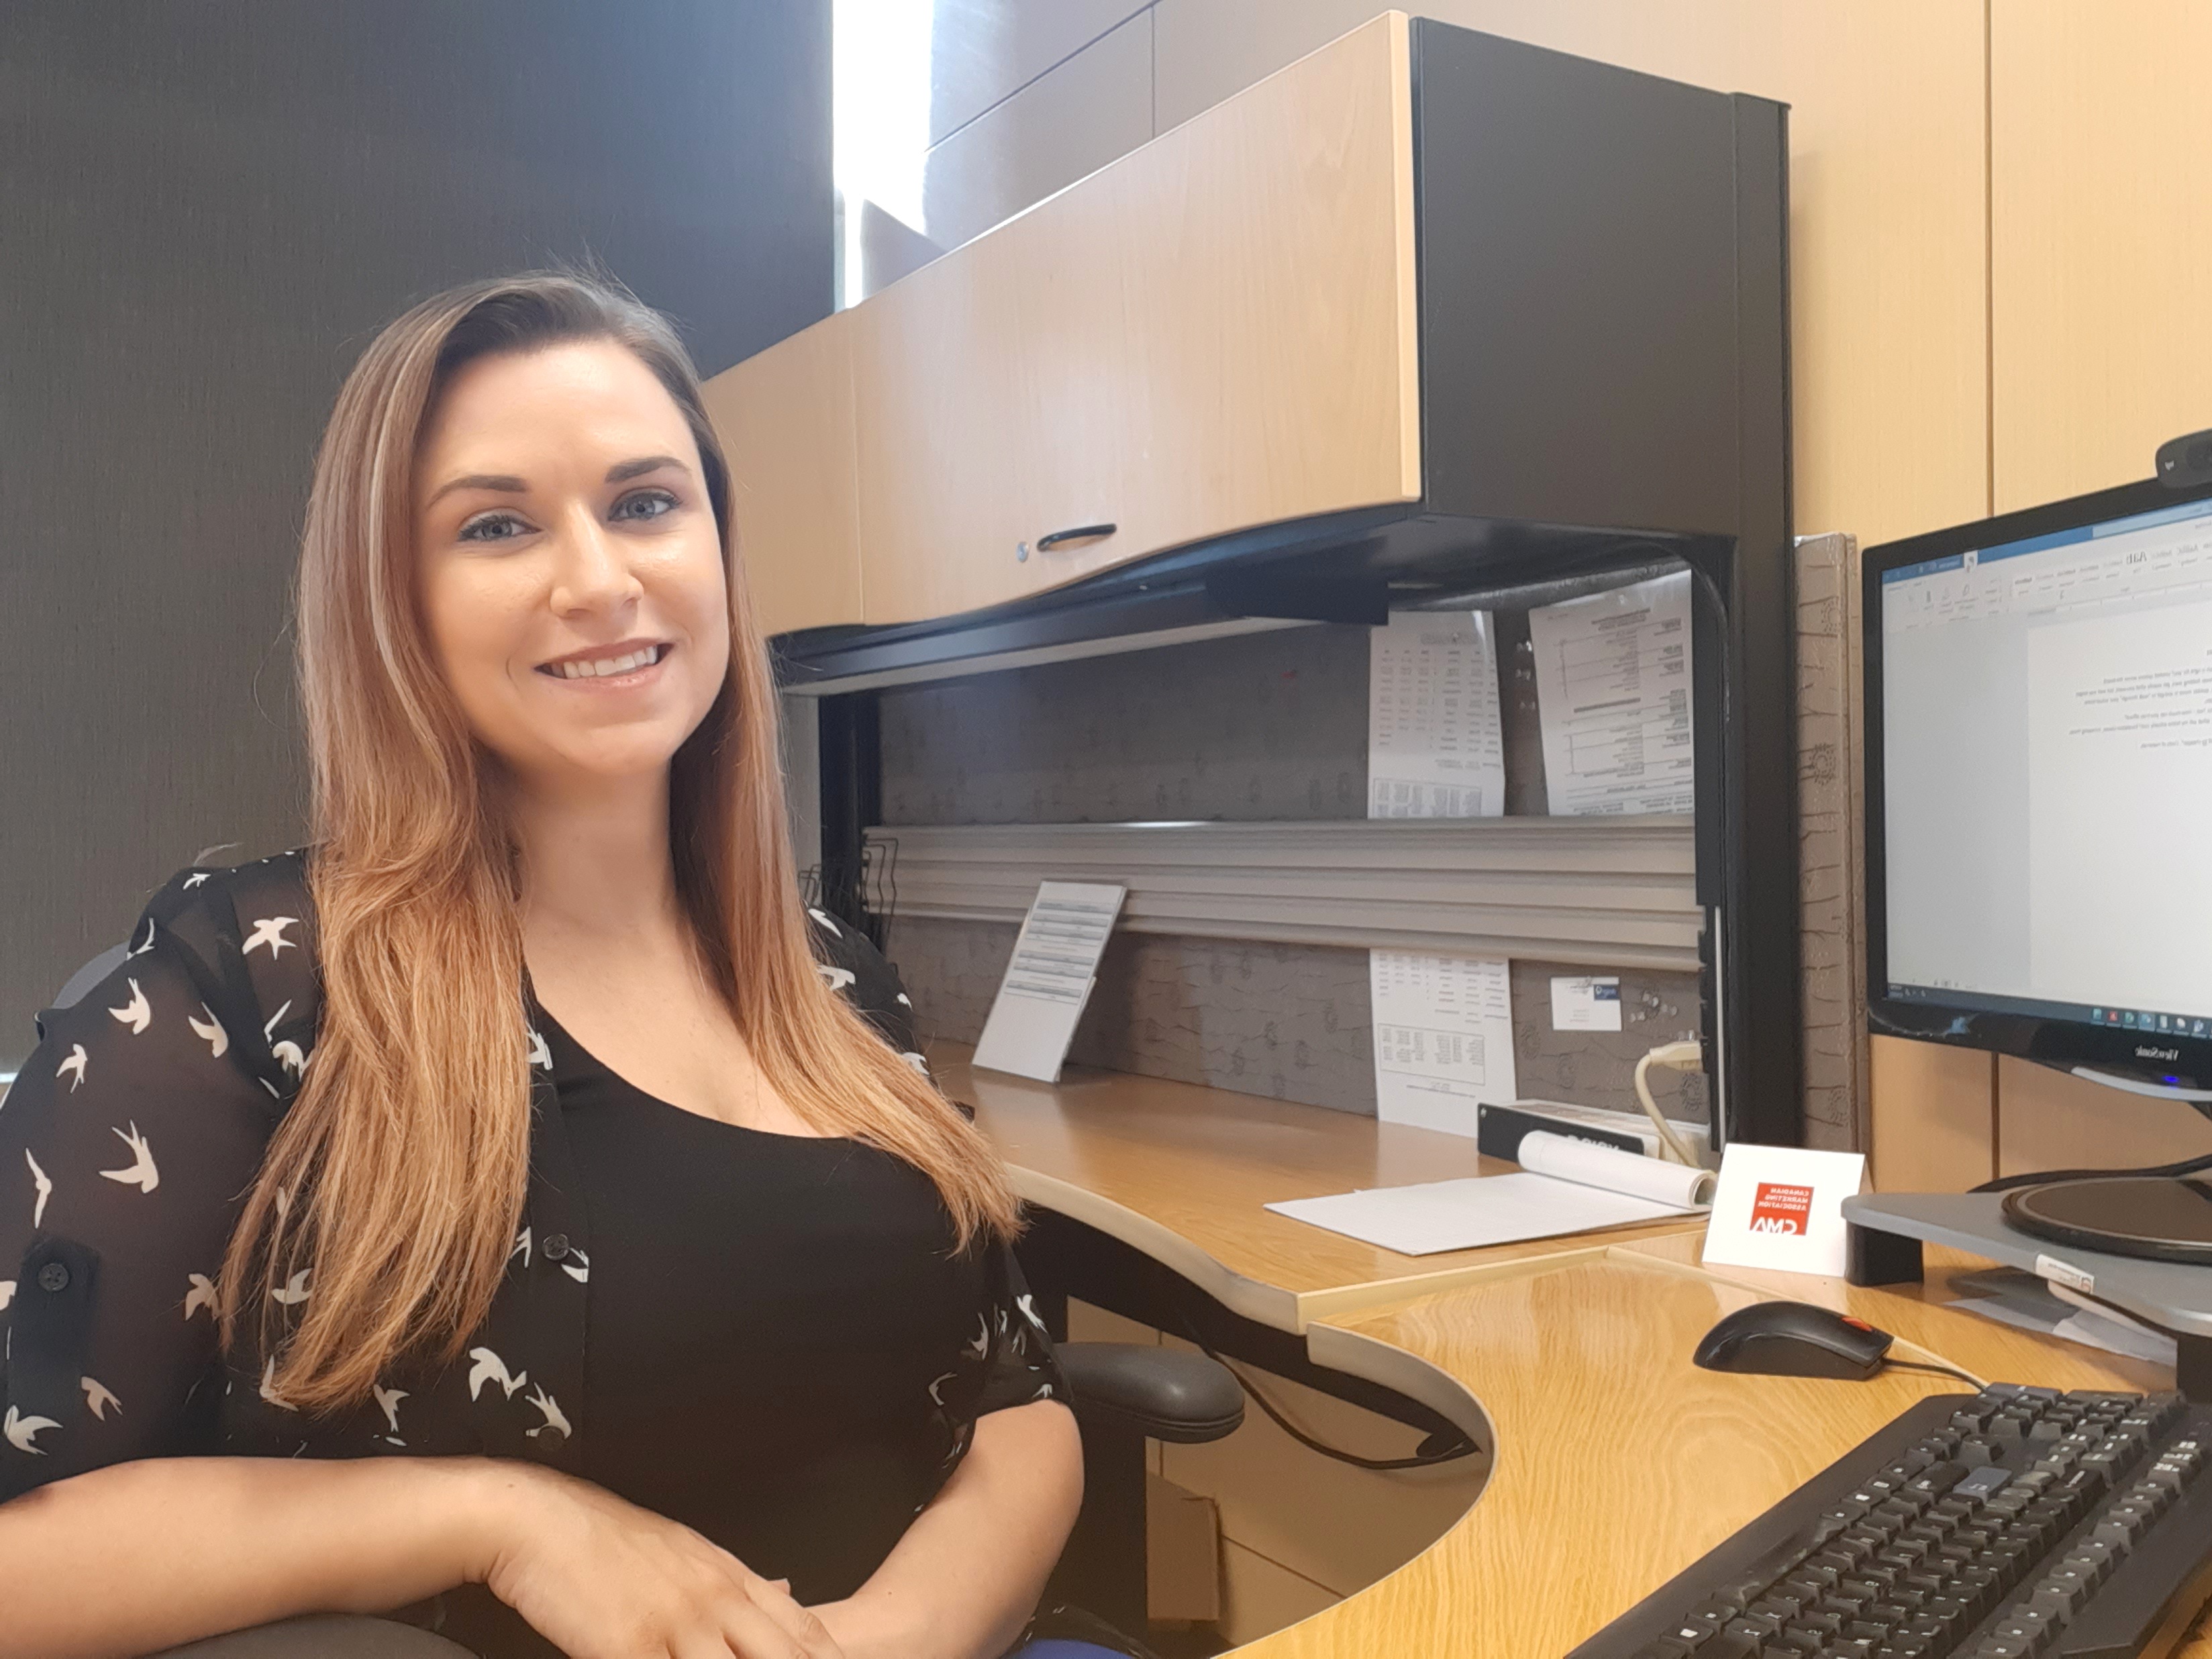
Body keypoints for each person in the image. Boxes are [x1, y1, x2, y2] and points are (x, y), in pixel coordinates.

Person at [0, 272, 1091, 1659]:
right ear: (393, 594)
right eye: (498, 525)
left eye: (645, 503)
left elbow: (1013, 1391)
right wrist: (502, 1518)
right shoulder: (251, 990)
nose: (599, 579)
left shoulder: (830, 979)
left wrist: (896, 1636)